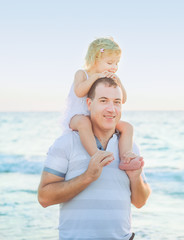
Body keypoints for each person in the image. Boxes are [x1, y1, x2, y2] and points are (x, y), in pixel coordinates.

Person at [38, 77, 151, 239]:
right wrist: (87, 177)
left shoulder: (129, 147)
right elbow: (44, 198)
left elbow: (140, 202)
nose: (112, 109)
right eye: (104, 101)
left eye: (117, 102)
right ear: (90, 104)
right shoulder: (66, 143)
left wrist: (135, 178)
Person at [62, 37, 142, 170]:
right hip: (77, 116)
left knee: (127, 127)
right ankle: (96, 154)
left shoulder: (109, 78)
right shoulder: (82, 74)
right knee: (84, 122)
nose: (114, 67)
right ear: (95, 59)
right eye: (110, 63)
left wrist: (119, 83)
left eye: (117, 63)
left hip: (98, 119)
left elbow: (123, 99)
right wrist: (95, 77)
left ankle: (126, 156)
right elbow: (79, 92)